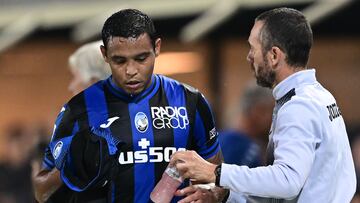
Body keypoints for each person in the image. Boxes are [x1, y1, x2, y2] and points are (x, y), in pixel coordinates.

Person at [37, 8, 226, 203]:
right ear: (105, 54)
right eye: (119, 61)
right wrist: (73, 165)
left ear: (157, 48)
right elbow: (41, 191)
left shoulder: (190, 101)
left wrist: (212, 194)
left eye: (141, 58)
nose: (131, 70)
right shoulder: (78, 109)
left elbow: (217, 176)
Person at [170, 7, 356, 203]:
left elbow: (287, 181)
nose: (249, 56)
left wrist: (215, 172)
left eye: (253, 48)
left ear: (274, 55)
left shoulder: (299, 106)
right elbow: (286, 190)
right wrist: (225, 195)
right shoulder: (320, 96)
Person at [32, 41, 111, 203]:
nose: (71, 85)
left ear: (94, 81)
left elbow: (44, 192)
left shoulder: (78, 118)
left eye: (75, 77)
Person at [219, 82, 274, 167]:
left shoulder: (220, 140)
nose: (274, 118)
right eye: (272, 111)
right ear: (259, 110)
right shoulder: (244, 149)